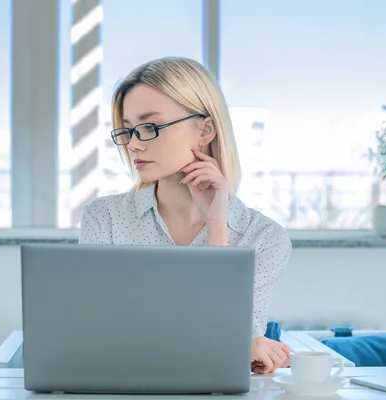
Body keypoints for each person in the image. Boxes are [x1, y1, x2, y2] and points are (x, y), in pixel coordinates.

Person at [79, 56, 292, 374]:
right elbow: (96, 337)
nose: (134, 145)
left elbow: (230, 346)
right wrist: (230, 344)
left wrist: (217, 226)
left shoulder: (264, 237)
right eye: (127, 131)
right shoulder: (104, 218)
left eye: (149, 127)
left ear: (205, 130)